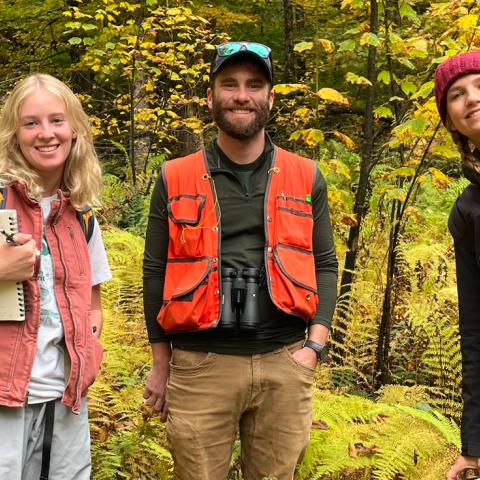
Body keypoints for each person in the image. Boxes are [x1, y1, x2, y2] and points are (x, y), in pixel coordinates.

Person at [143, 41, 338, 480]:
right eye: (228, 84)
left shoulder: (306, 175)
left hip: (284, 361)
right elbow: (155, 270)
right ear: (210, 97)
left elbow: (325, 262)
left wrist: (314, 347)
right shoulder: (174, 175)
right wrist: (161, 363)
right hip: (200, 366)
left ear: (270, 98)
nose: (241, 95)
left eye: (254, 85)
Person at [0, 73, 111, 480]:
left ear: (75, 130)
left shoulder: (80, 214)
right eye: (31, 123)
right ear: (14, 134)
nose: (46, 134)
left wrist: (89, 352)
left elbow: (93, 300)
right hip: (3, 397)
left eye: (57, 121)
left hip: (64, 400)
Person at [435, 50, 480, 480]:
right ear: (450, 121)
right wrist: (474, 446)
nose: (471, 98)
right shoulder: (467, 212)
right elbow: (475, 329)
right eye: (456, 94)